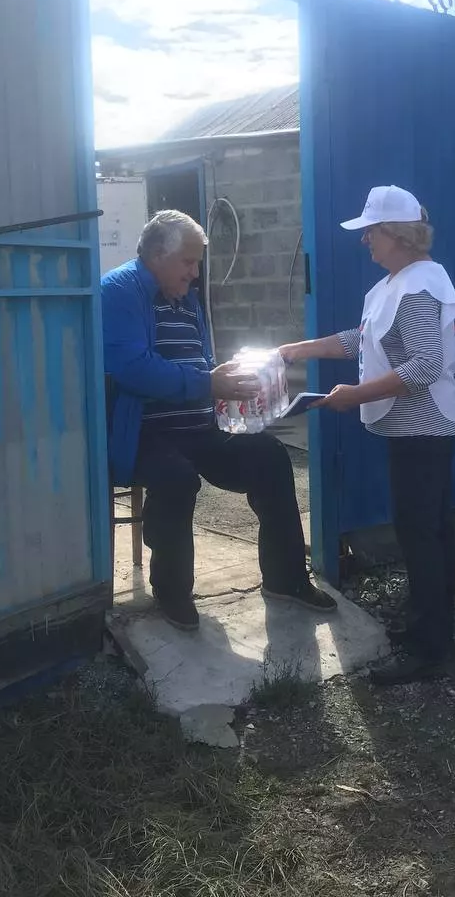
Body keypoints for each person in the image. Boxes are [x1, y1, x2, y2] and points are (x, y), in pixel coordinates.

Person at [102, 209, 336, 631]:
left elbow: (200, 366)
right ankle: (172, 592)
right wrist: (208, 383)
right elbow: (131, 368)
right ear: (157, 255)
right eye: (188, 262)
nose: (195, 274)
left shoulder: (185, 298)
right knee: (176, 478)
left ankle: (286, 579)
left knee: (269, 456)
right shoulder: (119, 291)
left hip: (199, 427)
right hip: (145, 432)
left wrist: (234, 387)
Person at [281, 186, 455, 685]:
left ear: (398, 234)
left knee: (420, 533)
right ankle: (434, 625)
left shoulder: (418, 287)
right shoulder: (397, 284)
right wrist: (299, 349)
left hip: (424, 427)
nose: (365, 240)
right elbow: (361, 341)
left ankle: (428, 647)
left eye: (371, 232)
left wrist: (353, 395)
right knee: (430, 529)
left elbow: (424, 367)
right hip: (417, 426)